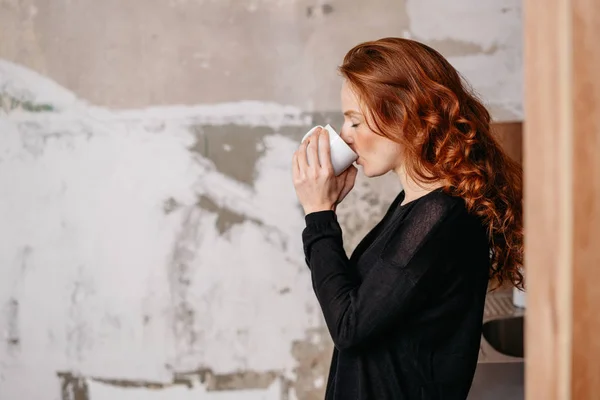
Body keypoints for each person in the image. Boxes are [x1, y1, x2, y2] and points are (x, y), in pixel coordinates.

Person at [291, 37, 523, 399]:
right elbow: (363, 304)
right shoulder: (418, 203)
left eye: (354, 121)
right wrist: (323, 211)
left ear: (402, 114)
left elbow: (349, 326)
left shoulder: (437, 217)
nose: (346, 137)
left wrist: (319, 215)